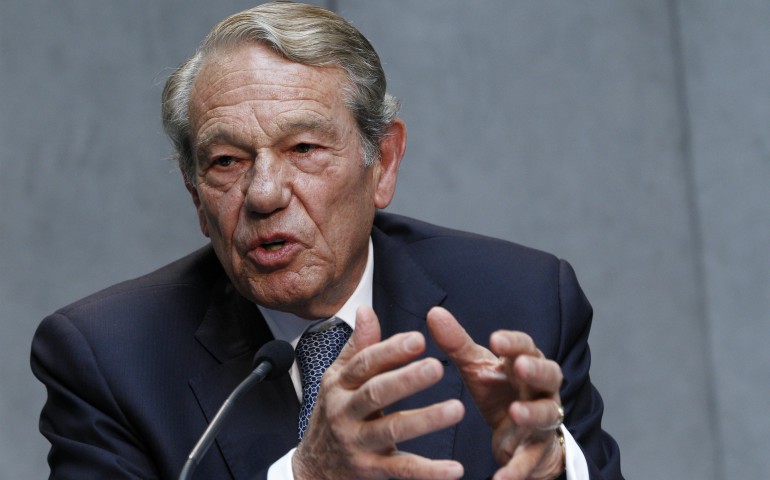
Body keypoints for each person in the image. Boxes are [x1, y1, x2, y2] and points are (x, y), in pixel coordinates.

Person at [31, 2, 623, 479]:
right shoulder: (108, 357)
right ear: (197, 198)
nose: (263, 194)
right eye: (227, 160)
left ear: (383, 163)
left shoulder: (522, 298)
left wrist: (551, 471)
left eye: (304, 149)